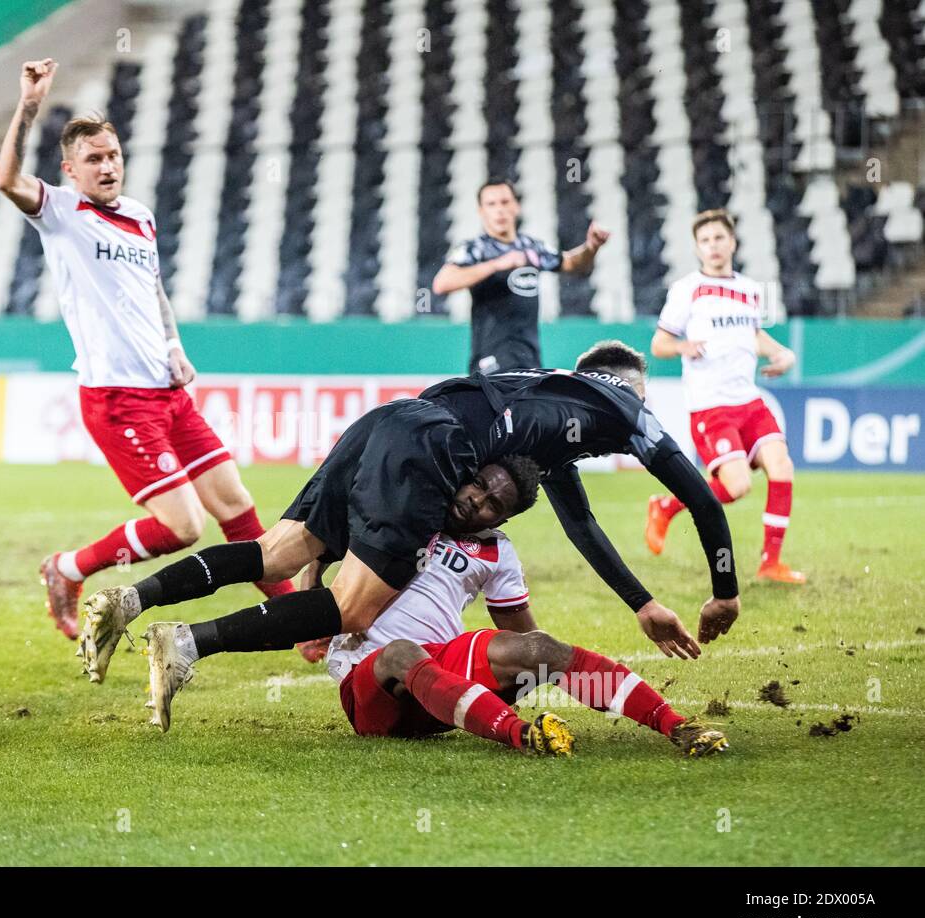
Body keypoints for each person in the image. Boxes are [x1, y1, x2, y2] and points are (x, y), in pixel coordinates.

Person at [83, 342, 741, 730]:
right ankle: (186, 647)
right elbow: (703, 501)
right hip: (433, 446)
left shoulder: (550, 409)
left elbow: (580, 522)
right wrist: (725, 591)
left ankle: (130, 601)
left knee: (275, 552)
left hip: (393, 420)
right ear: (627, 388)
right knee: (349, 609)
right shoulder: (626, 408)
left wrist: (642, 603)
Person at [0, 58, 292, 639]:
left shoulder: (140, 217)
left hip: (168, 391)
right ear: (70, 171)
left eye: (113, 156)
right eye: (94, 160)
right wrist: (28, 107)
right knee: (182, 527)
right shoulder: (60, 212)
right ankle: (67, 568)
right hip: (117, 398)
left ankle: (299, 625)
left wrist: (175, 347)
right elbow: (5, 179)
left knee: (236, 505)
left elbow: (153, 290)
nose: (108, 168)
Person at [325, 460, 726, 758]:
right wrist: (321, 605)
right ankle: (525, 735)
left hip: (440, 677)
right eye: (478, 484)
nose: (475, 500)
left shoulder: (496, 551)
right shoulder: (405, 509)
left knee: (540, 649)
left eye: (492, 504)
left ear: (505, 517)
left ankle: (676, 726)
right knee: (399, 650)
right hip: (371, 684)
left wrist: (543, 662)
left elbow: (526, 640)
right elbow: (322, 539)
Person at [646, 209, 804, 584]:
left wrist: (782, 353)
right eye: (705, 241)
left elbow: (754, 334)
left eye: (719, 238)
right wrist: (684, 346)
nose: (713, 246)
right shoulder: (687, 288)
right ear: (698, 248)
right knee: (738, 486)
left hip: (748, 399)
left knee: (782, 468)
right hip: (710, 404)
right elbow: (659, 344)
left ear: (732, 242)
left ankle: (771, 564)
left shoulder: (750, 289)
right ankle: (666, 506)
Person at [432, 179, 610, 374]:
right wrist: (496, 264)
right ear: (481, 211)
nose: (499, 209)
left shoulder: (531, 248)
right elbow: (442, 283)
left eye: (505, 202)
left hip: (529, 359)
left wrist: (591, 248)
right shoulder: (475, 249)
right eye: (491, 204)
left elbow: (573, 265)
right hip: (490, 361)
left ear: (516, 206)